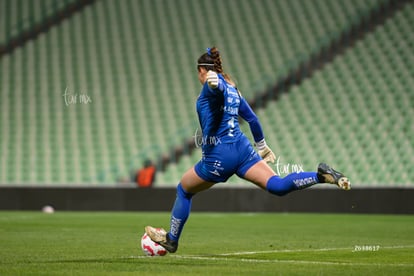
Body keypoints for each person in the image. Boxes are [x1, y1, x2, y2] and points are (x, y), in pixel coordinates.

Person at [145, 47, 350, 253]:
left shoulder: (211, 88)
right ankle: (321, 176)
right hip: (243, 150)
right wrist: (261, 145)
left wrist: (214, 84)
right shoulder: (234, 90)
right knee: (277, 186)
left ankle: (172, 240)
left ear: (201, 70)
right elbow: (252, 118)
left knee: (184, 190)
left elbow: (215, 90)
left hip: (219, 154)